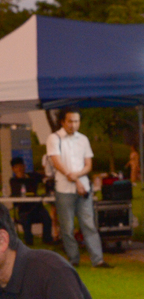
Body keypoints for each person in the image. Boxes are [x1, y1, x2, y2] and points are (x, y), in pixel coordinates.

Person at [46, 109, 111, 268]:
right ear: (62, 122)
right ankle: (74, 259)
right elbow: (56, 162)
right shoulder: (54, 138)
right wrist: (73, 177)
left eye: (76, 121)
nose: (73, 124)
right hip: (64, 189)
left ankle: (98, 259)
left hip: (83, 189)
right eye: (70, 121)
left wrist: (77, 176)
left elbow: (88, 165)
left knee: (88, 224)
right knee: (67, 227)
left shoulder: (83, 139)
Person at [9, 156, 53, 245]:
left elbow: (45, 179)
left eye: (21, 166)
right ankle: (28, 242)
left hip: (37, 207)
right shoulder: (13, 181)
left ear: (25, 166)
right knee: (25, 219)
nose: (20, 169)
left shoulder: (33, 176)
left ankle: (47, 240)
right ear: (13, 169)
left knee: (47, 218)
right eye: (17, 167)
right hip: (24, 209)